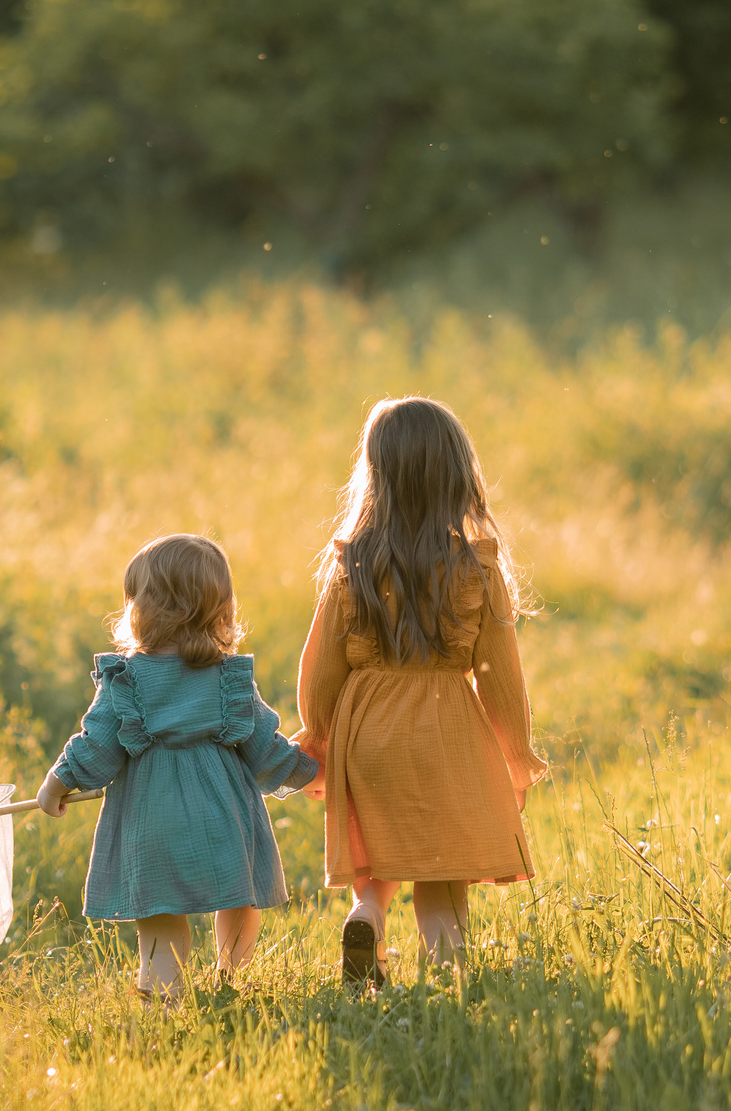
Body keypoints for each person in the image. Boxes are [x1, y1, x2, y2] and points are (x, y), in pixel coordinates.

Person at [294, 396, 547, 985]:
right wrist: (516, 758)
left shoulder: (351, 565)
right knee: (442, 875)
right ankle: (446, 975)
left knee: (377, 854)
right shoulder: (477, 568)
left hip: (369, 736)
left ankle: (368, 915)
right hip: (447, 732)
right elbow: (500, 677)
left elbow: (321, 668)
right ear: (459, 477)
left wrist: (318, 734)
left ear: (374, 476)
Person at [37, 533, 318, 1001]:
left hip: (153, 821)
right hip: (222, 817)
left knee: (163, 920)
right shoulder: (227, 677)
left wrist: (58, 780)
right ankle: (235, 981)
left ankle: (162, 996)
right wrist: (311, 771)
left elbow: (98, 745)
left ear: (147, 609)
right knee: (239, 897)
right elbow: (263, 747)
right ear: (220, 609)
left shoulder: (127, 679)